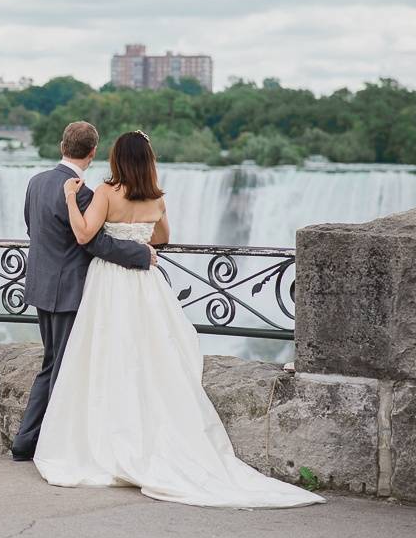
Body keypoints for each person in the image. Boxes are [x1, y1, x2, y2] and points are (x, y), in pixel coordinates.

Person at [32, 129, 326, 508]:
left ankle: (104, 435)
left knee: (107, 355)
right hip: (146, 285)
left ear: (117, 159)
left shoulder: (105, 192)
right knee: (150, 357)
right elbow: (162, 238)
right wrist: (137, 241)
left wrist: (72, 199)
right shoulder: (157, 198)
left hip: (108, 284)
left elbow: (85, 234)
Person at [10, 122, 156, 462]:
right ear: (93, 152)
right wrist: (140, 254)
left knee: (52, 362)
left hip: (41, 286)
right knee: (61, 367)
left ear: (62, 145)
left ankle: (28, 440)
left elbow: (33, 228)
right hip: (69, 291)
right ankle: (37, 442)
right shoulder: (83, 193)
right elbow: (95, 242)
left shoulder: (36, 183)